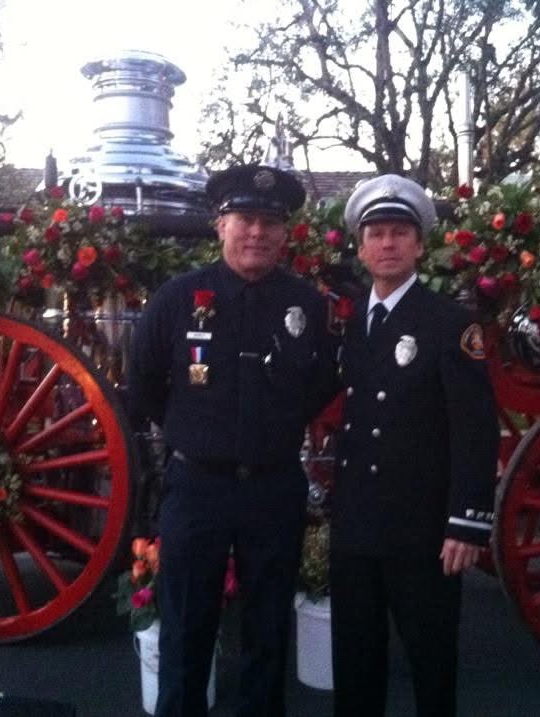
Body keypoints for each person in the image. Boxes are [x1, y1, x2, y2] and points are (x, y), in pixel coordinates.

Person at [127, 164, 337, 717]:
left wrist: (276, 428)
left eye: (270, 222)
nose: (257, 233)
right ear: (220, 225)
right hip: (198, 488)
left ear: (285, 233)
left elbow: (319, 383)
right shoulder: (178, 299)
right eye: (245, 219)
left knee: (267, 633)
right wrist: (190, 429)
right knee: (186, 630)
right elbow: (143, 380)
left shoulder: (307, 306)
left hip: (273, 489)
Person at [329, 174, 499, 717]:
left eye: (399, 232)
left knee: (430, 664)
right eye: (375, 233)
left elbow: (475, 428)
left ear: (420, 245)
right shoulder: (355, 323)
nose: (387, 244)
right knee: (355, 664)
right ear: (360, 247)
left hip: (422, 530)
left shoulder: (451, 323)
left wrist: (466, 522)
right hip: (356, 526)